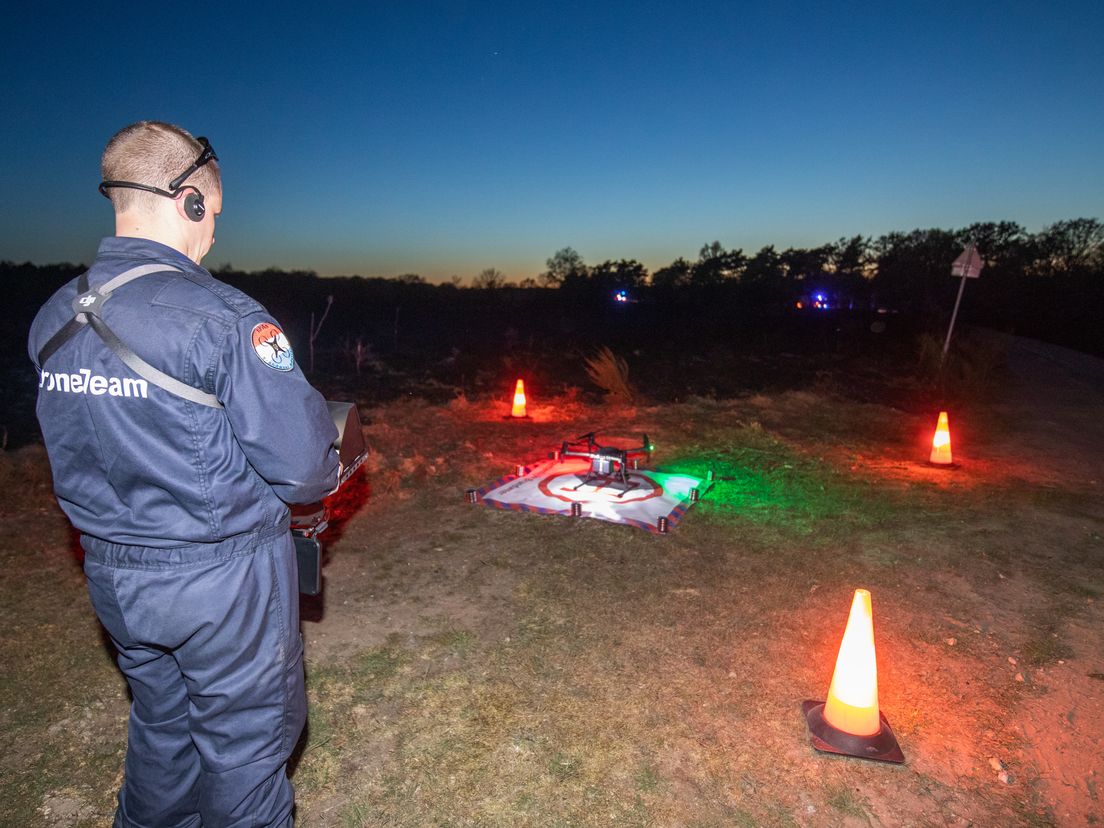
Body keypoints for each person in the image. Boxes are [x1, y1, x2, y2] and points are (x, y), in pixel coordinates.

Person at [27, 121, 340, 827]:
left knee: (163, 733)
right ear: (190, 202)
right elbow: (304, 470)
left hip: (113, 577)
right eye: (214, 218)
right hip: (221, 584)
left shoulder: (53, 317)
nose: (214, 238)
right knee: (246, 753)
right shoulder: (224, 319)